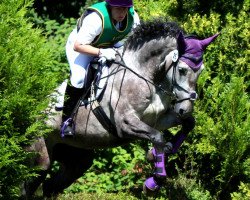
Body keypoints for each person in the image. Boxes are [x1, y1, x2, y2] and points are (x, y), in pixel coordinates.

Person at [61, 0, 140, 137]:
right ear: (110, 7)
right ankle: (66, 120)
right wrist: (101, 52)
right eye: (118, 8)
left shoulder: (133, 16)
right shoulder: (96, 19)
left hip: (108, 43)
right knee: (78, 78)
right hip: (82, 46)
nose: (122, 13)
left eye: (125, 8)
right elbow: (78, 45)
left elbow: (139, 38)